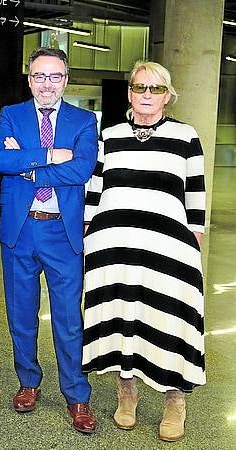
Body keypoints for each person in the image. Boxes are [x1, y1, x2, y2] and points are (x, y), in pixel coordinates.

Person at [82, 61, 205, 442]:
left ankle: (175, 400)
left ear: (167, 95)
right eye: (139, 88)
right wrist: (91, 236)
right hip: (114, 245)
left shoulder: (186, 136)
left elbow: (196, 197)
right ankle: (127, 390)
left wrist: (193, 245)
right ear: (130, 93)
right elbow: (94, 189)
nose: (146, 95)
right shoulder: (111, 135)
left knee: (170, 318)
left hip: (167, 249)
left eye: (155, 89)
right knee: (124, 314)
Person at [0, 47, 98, 434]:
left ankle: (76, 394)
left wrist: (31, 167)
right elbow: (0, 161)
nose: (47, 84)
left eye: (54, 76)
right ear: (30, 79)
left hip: (62, 232)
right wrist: (53, 154)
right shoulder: (11, 115)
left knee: (68, 319)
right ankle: (29, 382)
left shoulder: (84, 120)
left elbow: (81, 169)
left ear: (65, 80)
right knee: (22, 314)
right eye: (39, 76)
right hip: (21, 230)